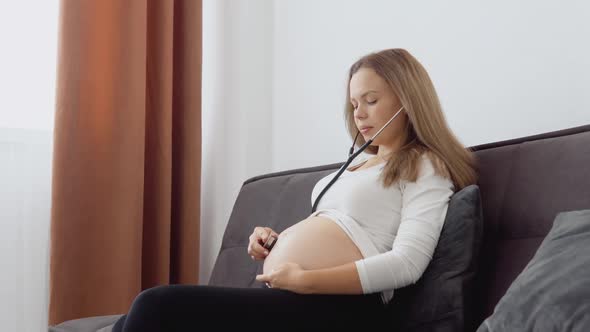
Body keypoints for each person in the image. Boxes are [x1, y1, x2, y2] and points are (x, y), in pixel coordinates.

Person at [112, 48, 477, 331]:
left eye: (371, 100)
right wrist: (276, 242)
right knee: (125, 322)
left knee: (155, 305)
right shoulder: (355, 166)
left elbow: (407, 264)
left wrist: (306, 279)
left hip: (343, 309)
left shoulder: (424, 165)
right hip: (295, 298)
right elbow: (335, 229)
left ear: (408, 100)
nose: (359, 114)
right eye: (354, 104)